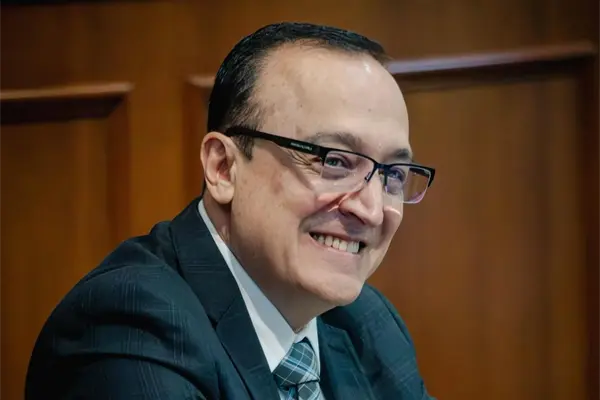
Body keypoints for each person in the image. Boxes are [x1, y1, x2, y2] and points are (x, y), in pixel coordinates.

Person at [25, 22, 437, 399]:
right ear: (223, 167)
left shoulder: (366, 322)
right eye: (334, 161)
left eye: (393, 174)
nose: (371, 210)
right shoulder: (129, 327)